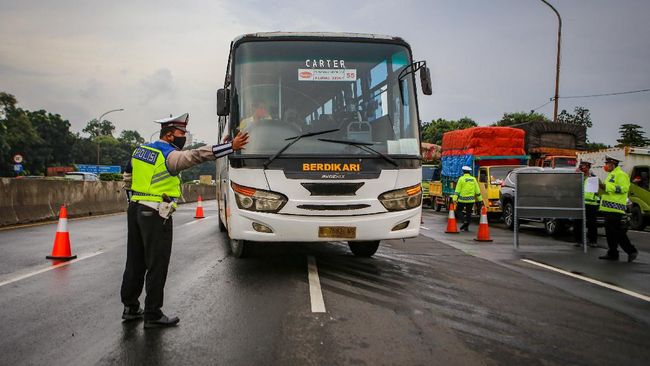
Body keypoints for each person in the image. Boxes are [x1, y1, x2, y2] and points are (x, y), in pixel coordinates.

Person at [121, 113, 249, 328]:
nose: (184, 137)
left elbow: (127, 176)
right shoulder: (168, 155)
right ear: (170, 135)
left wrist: (135, 195)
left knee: (135, 261)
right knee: (156, 263)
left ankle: (130, 307)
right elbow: (196, 156)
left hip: (134, 208)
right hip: (155, 213)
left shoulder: (140, 151)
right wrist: (229, 147)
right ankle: (152, 314)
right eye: (181, 134)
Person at [598, 155, 637, 262]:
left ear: (613, 164)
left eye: (607, 164)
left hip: (616, 208)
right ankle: (612, 253)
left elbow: (624, 189)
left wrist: (607, 187)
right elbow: (609, 192)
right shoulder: (611, 175)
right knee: (610, 233)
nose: (605, 166)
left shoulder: (621, 175)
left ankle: (631, 251)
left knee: (617, 232)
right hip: (608, 208)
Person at [574, 161, 599, 246]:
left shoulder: (593, 177)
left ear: (588, 167)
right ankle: (578, 241)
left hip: (591, 204)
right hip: (580, 203)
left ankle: (593, 241)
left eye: (583, 166)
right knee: (578, 222)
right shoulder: (578, 176)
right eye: (580, 166)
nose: (581, 167)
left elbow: (595, 190)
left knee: (592, 223)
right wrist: (576, 175)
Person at [453, 165, 483, 231]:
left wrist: (454, 199)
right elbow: (477, 190)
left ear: (463, 172)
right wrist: (480, 199)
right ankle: (466, 227)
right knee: (468, 213)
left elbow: (457, 190)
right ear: (469, 172)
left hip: (462, 199)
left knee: (458, 211)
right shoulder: (473, 179)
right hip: (471, 200)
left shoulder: (461, 179)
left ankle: (464, 221)